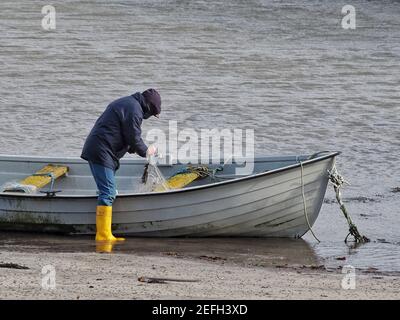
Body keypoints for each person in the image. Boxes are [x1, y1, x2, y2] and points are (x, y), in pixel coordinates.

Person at [81, 88, 161, 242]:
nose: (149, 117)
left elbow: (125, 136)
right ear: (149, 107)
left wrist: (137, 148)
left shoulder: (130, 104)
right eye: (152, 114)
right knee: (108, 192)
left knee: (107, 190)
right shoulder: (134, 109)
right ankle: (103, 235)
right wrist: (146, 151)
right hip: (101, 151)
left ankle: (104, 232)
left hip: (103, 150)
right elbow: (134, 137)